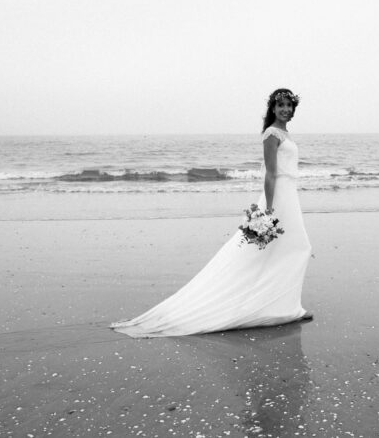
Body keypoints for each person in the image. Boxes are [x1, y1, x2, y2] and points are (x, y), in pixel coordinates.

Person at [111, 88, 313, 337]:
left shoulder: (284, 133)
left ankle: (286, 306)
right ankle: (281, 307)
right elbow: (271, 173)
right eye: (281, 105)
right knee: (296, 247)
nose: (285, 109)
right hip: (279, 197)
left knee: (287, 249)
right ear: (272, 108)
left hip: (289, 196)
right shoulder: (271, 134)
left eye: (289, 106)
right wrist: (269, 210)